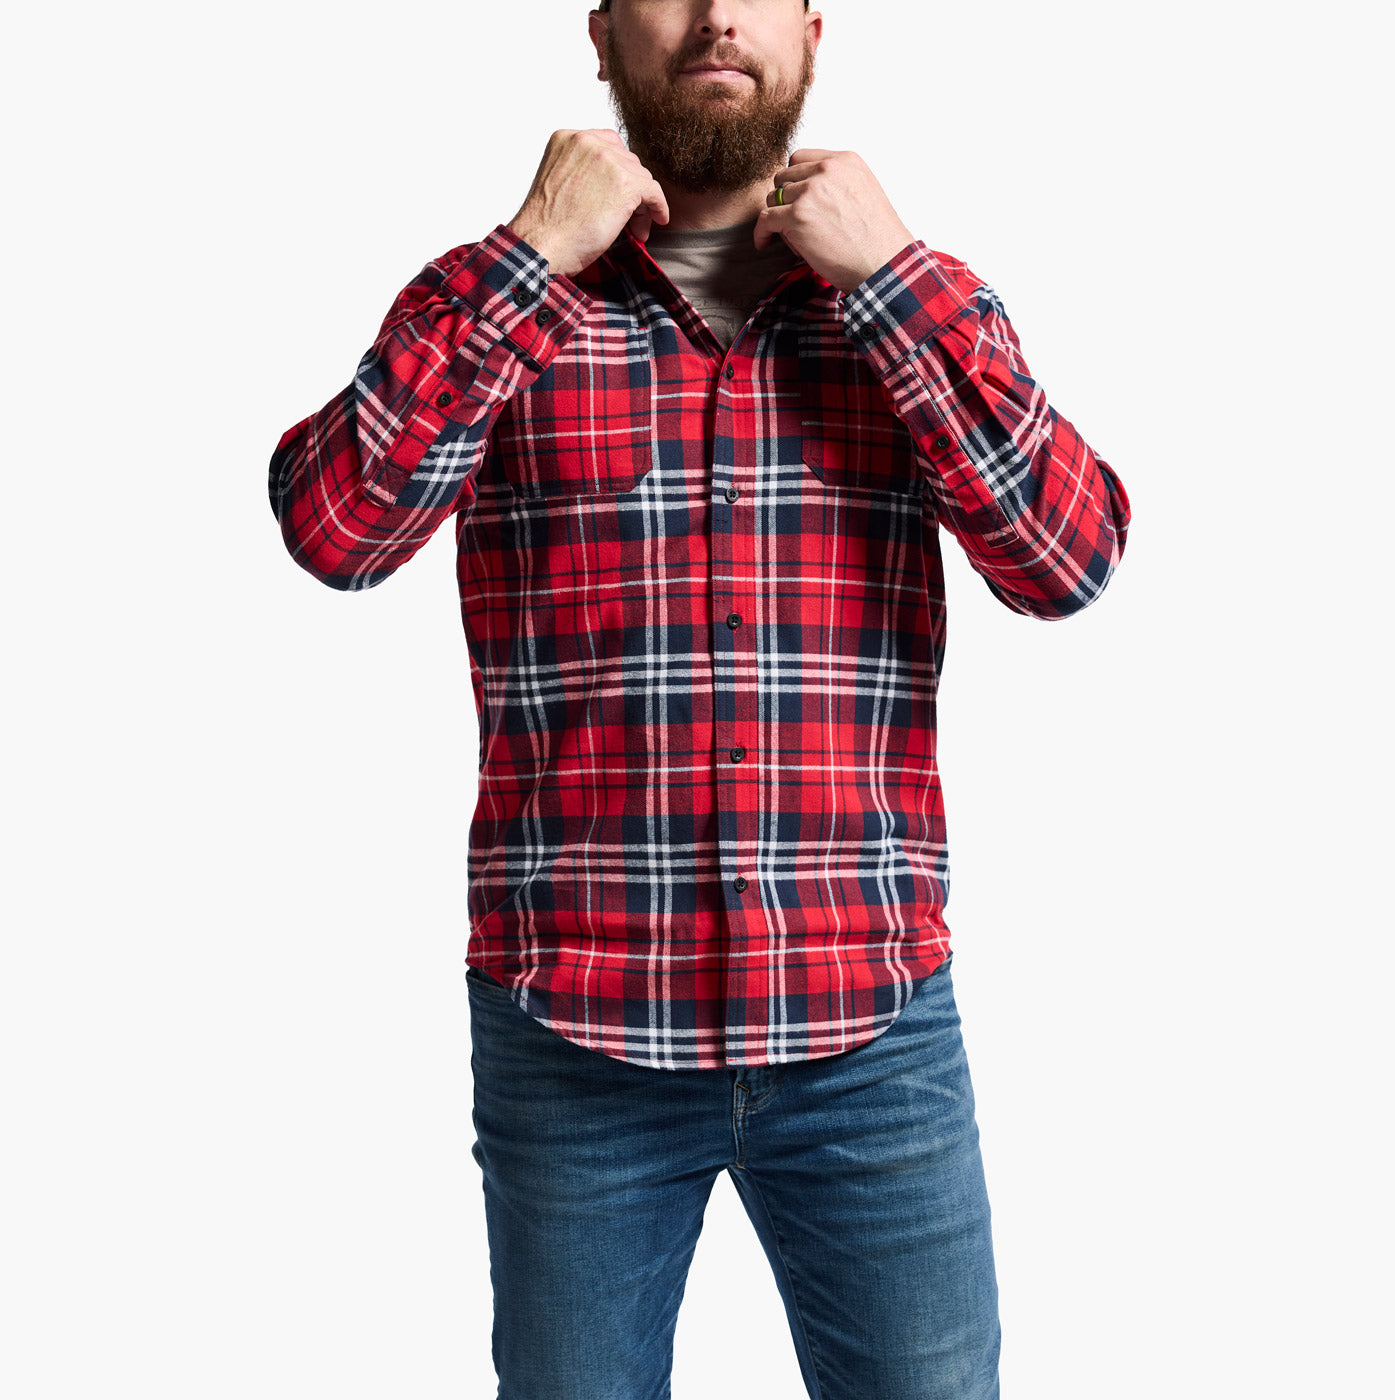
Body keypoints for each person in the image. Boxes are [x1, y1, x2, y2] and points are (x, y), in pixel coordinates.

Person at [268, 2, 1132, 1395]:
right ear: (602, 34)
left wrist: (893, 279)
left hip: (868, 1028)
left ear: (812, 31)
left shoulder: (920, 300)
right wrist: (529, 254)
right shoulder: (501, 300)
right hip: (575, 1027)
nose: (717, 14)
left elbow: (1069, 558)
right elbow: (335, 529)